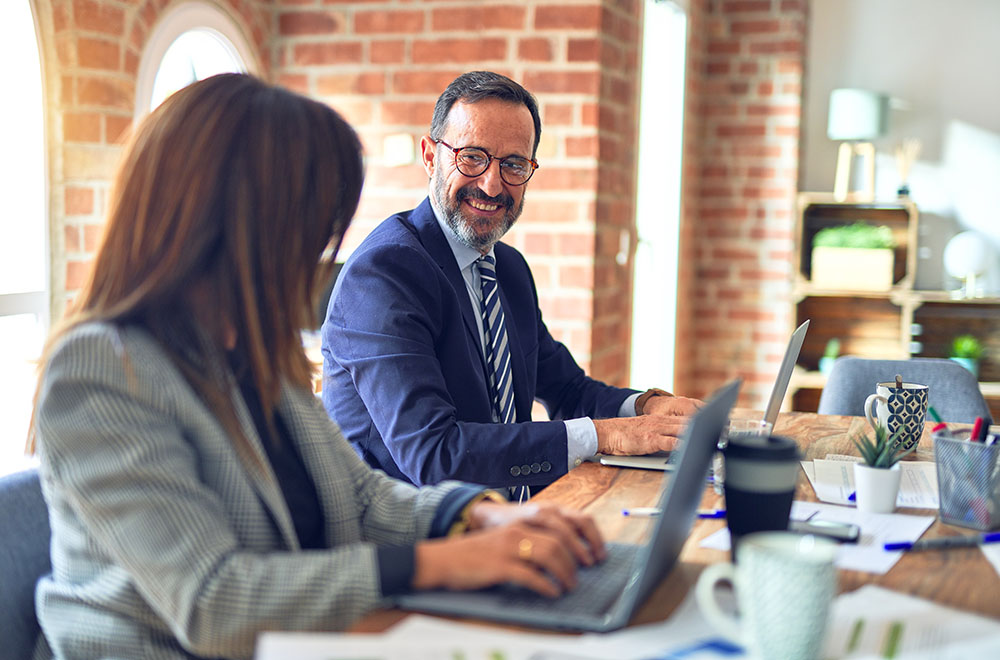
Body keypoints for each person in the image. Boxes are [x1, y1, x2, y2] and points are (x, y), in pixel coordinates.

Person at [28, 74, 606, 660]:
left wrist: (478, 517)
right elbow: (212, 603)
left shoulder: (251, 348)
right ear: (220, 218)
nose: (319, 252)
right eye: (304, 225)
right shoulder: (100, 370)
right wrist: (439, 562)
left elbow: (358, 499)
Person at [322, 70, 700, 492]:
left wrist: (647, 407)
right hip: (416, 536)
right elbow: (434, 455)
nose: (491, 183)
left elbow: (568, 389)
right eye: (472, 156)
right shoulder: (385, 274)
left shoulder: (508, 269)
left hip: (505, 519)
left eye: (513, 164)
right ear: (431, 157)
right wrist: (605, 434)